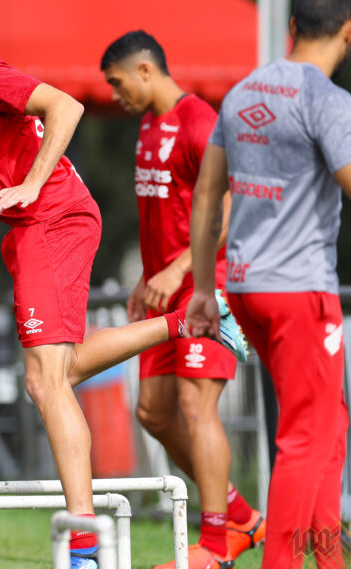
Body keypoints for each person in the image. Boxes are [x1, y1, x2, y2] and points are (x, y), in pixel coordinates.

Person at [0, 2, 248, 567]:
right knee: (63, 370)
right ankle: (192, 323)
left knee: (44, 382)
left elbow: (66, 106)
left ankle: (84, 546)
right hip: (29, 224)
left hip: (52, 217)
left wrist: (31, 184)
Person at [186, 2, 351, 567]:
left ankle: (328, 559)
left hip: (247, 285)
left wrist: (204, 288)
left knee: (329, 429)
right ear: (348, 33)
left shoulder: (241, 93)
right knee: (306, 437)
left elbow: (208, 194)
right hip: (300, 290)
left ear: (293, 27)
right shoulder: (328, 102)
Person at [100, 31, 264, 568]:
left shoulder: (200, 121)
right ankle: (239, 514)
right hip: (163, 295)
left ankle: (215, 546)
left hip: (204, 289)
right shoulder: (149, 125)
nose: (115, 95)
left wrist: (176, 272)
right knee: (153, 411)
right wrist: (148, 282)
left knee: (197, 407)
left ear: (146, 70)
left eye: (118, 83)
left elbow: (233, 209)